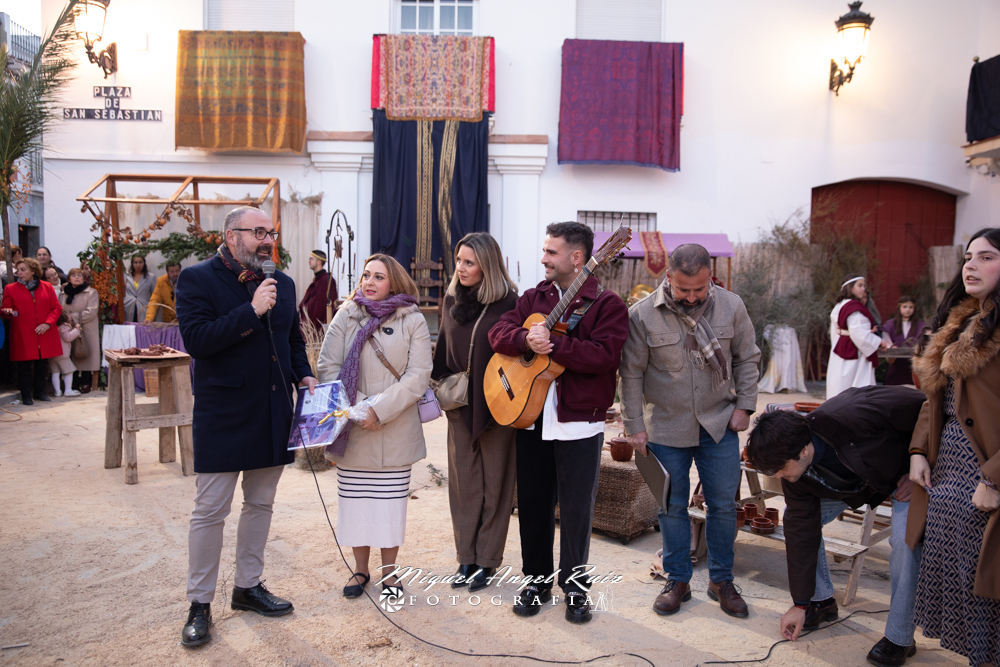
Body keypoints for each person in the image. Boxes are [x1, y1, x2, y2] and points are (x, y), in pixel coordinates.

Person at [174, 206, 315, 648]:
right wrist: (251, 311)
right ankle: (199, 603)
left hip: (272, 412)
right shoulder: (197, 279)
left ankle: (248, 587)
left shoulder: (283, 283)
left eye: (270, 232)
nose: (267, 240)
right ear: (231, 236)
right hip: (223, 414)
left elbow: (292, 340)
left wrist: (304, 374)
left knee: (261, 504)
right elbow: (198, 341)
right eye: (258, 232)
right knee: (210, 510)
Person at [488, 222, 628, 624]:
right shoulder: (535, 297)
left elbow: (604, 355)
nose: (544, 258)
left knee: (577, 511)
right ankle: (536, 582)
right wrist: (524, 340)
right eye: (545, 250)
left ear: (577, 258)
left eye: (552, 252)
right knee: (533, 506)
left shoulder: (607, 304)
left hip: (578, 423)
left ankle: (576, 588)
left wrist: (556, 345)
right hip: (530, 418)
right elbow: (498, 333)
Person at [619, 243, 761, 619]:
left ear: (709, 277)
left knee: (724, 507)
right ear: (669, 277)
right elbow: (631, 373)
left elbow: (748, 357)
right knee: (671, 507)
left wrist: (745, 405)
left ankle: (722, 581)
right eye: (684, 289)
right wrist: (634, 426)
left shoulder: (732, 306)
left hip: (719, 425)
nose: (693, 297)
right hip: (665, 427)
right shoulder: (642, 315)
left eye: (700, 288)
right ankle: (677, 580)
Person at [746, 385, 925, 667]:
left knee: (905, 541)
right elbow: (801, 530)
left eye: (780, 468)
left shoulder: (856, 411)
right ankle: (821, 603)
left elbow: (928, 407)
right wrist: (800, 603)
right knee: (799, 521)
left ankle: (899, 637)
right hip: (860, 487)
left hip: (907, 477)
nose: (778, 476)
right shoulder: (794, 472)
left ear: (804, 450)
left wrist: (920, 460)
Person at [908, 227, 1000, 667]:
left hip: (986, 471)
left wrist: (993, 479)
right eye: (968, 257)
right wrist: (918, 452)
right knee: (960, 581)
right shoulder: (958, 322)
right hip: (946, 471)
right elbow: (936, 399)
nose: (971, 265)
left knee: (987, 583)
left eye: (986, 257)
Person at [317, 253, 431, 599]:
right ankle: (360, 569)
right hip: (353, 427)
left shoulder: (412, 319)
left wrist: (379, 410)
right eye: (366, 275)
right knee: (356, 505)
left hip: (395, 428)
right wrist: (360, 409)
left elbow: (418, 375)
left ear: (394, 282)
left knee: (389, 507)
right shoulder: (347, 313)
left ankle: (390, 573)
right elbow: (328, 366)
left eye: (379, 277)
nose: (369, 282)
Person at [431, 233, 519, 591]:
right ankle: (465, 557)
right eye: (459, 260)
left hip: (499, 406)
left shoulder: (510, 303)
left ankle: (487, 561)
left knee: (496, 486)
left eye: (469, 262)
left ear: (488, 265)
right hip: (461, 404)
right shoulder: (452, 298)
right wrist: (441, 385)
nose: (461, 268)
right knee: (464, 486)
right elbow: (442, 346)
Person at [0, 258, 62, 404]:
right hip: (23, 332)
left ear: (33, 271)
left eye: (23, 269)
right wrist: (7, 311)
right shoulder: (10, 288)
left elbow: (56, 308)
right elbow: (5, 309)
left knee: (42, 364)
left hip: (43, 331)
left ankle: (40, 392)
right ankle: (26, 396)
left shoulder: (47, 287)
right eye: (18, 270)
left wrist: (48, 323)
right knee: (24, 366)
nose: (19, 273)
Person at [826, 275, 888, 399]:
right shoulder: (854, 308)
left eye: (864, 286)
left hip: (840, 350)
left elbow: (836, 331)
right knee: (856, 385)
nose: (863, 289)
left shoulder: (839, 305)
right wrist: (879, 341)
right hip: (854, 353)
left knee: (840, 383)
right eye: (860, 285)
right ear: (850, 287)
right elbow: (860, 334)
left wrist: (837, 345)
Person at [61, 268, 101, 394]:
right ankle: (73, 382)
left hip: (86, 327)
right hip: (68, 327)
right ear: (69, 278)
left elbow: (92, 311)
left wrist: (73, 317)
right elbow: (60, 309)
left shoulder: (91, 292)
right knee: (70, 353)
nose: (77, 277)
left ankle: (86, 381)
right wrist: (65, 319)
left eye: (79, 275)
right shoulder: (63, 294)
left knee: (84, 352)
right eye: (73, 275)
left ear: (84, 278)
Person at [881, 296, 926, 386]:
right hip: (895, 366)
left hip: (912, 367)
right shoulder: (890, 324)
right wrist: (891, 348)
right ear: (899, 307)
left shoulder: (920, 325)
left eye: (910, 307)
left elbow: (924, 342)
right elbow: (885, 339)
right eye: (904, 307)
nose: (907, 310)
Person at [298, 249, 336, 334]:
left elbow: (321, 305)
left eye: (311, 259)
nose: (309, 261)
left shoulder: (326, 279)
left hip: (318, 326)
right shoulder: (318, 279)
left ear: (319, 262)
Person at [47, 311, 81, 397]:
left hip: (51, 354)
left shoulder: (50, 326)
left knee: (55, 372)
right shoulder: (64, 326)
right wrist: (76, 330)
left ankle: (57, 391)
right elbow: (68, 337)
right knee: (69, 371)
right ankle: (68, 390)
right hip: (63, 354)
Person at [124, 255, 156, 323]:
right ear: (132, 264)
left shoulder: (150, 277)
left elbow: (155, 295)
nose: (138, 265)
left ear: (144, 263)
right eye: (135, 262)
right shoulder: (127, 277)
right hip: (129, 308)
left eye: (140, 262)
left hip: (143, 308)